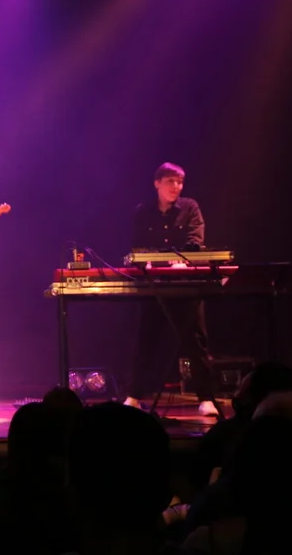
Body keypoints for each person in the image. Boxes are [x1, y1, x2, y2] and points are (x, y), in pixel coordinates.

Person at [124, 162, 218, 417]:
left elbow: (195, 241)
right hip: (155, 285)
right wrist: (147, 262)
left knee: (196, 342)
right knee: (145, 340)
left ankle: (206, 398)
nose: (176, 187)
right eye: (170, 182)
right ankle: (133, 396)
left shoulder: (190, 208)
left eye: (179, 182)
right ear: (157, 183)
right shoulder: (143, 211)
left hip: (185, 285)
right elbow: (137, 247)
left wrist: (182, 260)